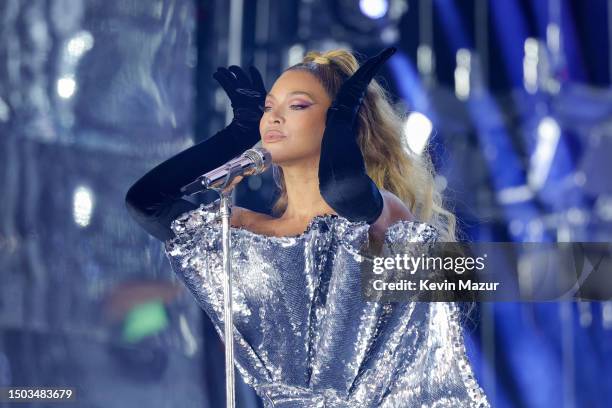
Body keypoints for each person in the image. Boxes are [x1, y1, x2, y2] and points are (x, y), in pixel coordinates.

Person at [125, 47, 489, 407]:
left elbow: (342, 189)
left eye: (297, 105)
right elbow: (147, 202)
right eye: (269, 108)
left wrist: (343, 116)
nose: (274, 118)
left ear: (339, 124)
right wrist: (237, 134)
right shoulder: (245, 232)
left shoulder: (380, 217)